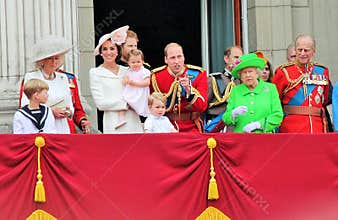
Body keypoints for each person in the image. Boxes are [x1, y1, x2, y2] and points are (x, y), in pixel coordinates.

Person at [272, 34, 330, 133]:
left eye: (306, 50)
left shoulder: (322, 71)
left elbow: (323, 99)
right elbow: (274, 100)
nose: (302, 53)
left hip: (316, 127)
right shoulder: (283, 72)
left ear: (313, 51)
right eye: (299, 50)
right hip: (291, 128)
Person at [90, 26, 143, 134]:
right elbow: (100, 104)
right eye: (105, 49)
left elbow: (139, 91)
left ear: (117, 51)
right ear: (100, 52)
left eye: (112, 48)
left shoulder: (128, 70)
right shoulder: (95, 72)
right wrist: (126, 104)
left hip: (133, 119)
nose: (109, 52)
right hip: (113, 122)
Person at [20, 36, 74, 134]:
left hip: (62, 127)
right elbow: (25, 105)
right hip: (41, 126)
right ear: (42, 60)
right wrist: (50, 112)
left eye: (57, 58)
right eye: (50, 58)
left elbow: (69, 103)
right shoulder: (32, 77)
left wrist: (69, 112)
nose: (54, 62)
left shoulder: (63, 78)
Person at [151, 42, 208, 132]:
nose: (176, 61)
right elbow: (150, 105)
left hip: (191, 126)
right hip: (165, 127)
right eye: (172, 58)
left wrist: (189, 91)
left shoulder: (198, 74)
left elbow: (202, 107)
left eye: (179, 56)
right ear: (166, 59)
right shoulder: (156, 77)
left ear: (184, 57)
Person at [222, 53, 283, 133]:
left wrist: (258, 125)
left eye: (250, 71)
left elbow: (278, 115)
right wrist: (233, 114)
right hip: (241, 139)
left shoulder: (270, 89)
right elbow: (225, 118)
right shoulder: (236, 91)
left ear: (257, 73)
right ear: (240, 76)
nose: (248, 75)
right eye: (244, 72)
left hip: (265, 139)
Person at [204, 45, 243, 132]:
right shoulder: (214, 79)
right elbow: (202, 107)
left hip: (236, 128)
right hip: (217, 127)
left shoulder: (241, 82)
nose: (239, 61)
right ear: (226, 59)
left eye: (241, 58)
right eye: (236, 57)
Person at [117, 49, 150, 128]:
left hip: (140, 93)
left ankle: (144, 123)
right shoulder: (128, 71)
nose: (136, 64)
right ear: (128, 63)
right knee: (123, 102)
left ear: (142, 61)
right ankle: (121, 119)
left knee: (140, 107)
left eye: (138, 62)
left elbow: (147, 83)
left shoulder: (144, 71)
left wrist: (133, 83)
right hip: (131, 92)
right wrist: (125, 81)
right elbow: (124, 80)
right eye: (133, 62)